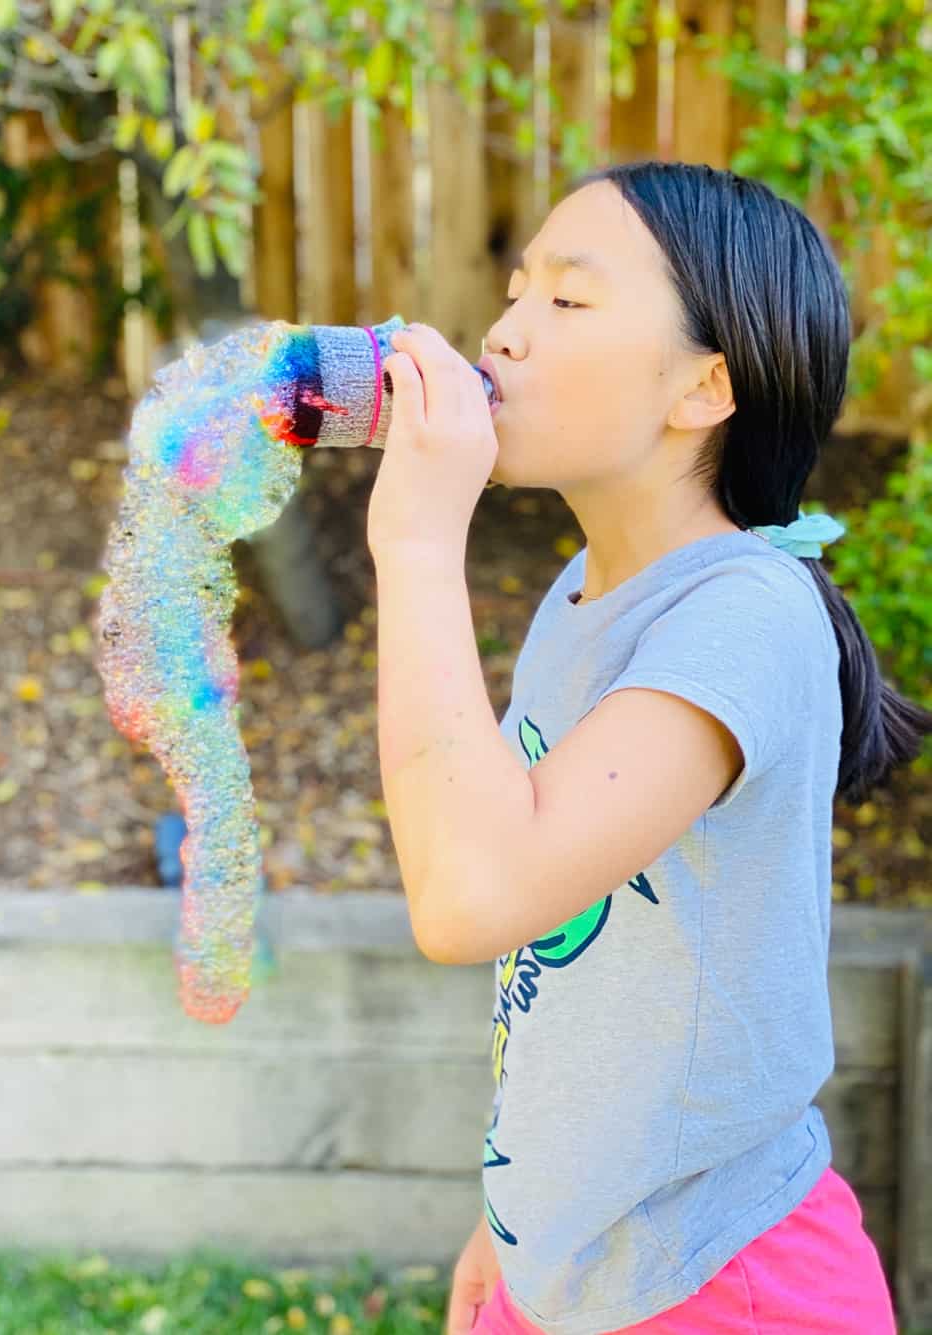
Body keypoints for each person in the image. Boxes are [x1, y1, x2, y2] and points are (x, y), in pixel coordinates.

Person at [368, 161, 931, 1335]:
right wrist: (518, 1220)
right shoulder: (586, 594)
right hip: (574, 1267)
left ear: (705, 386)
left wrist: (419, 546)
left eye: (566, 303)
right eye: (516, 293)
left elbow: (470, 900)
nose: (505, 335)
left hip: (724, 1288)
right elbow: (580, 984)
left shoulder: (745, 618)